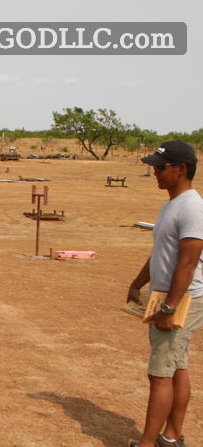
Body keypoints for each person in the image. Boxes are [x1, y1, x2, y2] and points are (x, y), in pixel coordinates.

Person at [126, 140, 203, 447]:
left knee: (160, 373)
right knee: (176, 366)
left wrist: (169, 308)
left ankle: (148, 443)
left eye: (160, 167)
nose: (154, 172)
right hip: (171, 298)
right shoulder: (172, 204)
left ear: (181, 169)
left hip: (182, 300)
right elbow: (161, 251)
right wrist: (137, 282)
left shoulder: (193, 208)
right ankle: (171, 437)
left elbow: (188, 261)